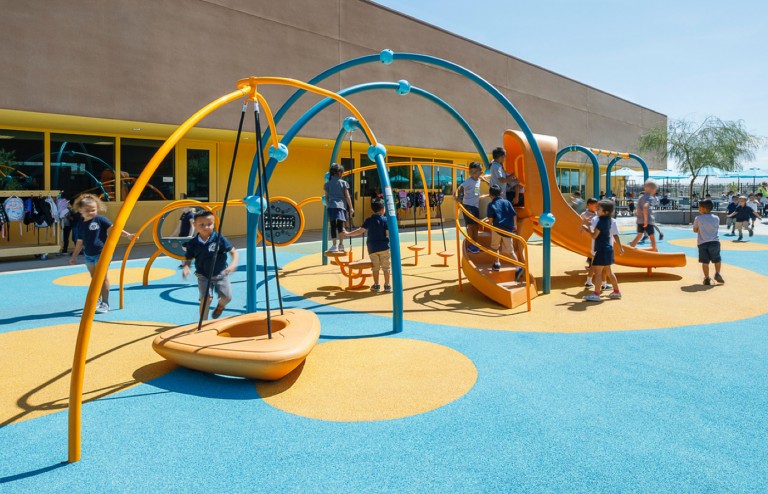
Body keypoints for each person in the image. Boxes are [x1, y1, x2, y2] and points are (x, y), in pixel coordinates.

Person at [69, 194, 136, 313]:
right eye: (87, 210)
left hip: (102, 254)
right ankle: (97, 299)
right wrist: (74, 256)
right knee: (94, 278)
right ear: (80, 210)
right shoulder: (80, 224)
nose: (91, 212)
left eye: (93, 210)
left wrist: (128, 235)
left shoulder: (100, 219)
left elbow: (114, 229)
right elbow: (80, 242)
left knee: (102, 278)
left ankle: (105, 303)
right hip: (88, 255)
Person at [182, 210, 238, 320]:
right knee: (206, 299)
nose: (206, 227)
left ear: (213, 224)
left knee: (227, 297)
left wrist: (233, 265)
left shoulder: (218, 238)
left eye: (209, 224)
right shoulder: (193, 243)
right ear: (194, 224)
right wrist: (186, 267)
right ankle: (203, 323)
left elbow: (233, 252)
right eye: (202, 224)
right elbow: (188, 258)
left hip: (220, 273)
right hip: (203, 274)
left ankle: (220, 306)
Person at [582, 200, 623, 302]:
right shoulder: (609, 220)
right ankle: (616, 291)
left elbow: (594, 235)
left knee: (598, 272)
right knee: (609, 272)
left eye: (599, 209)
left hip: (601, 249)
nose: (596, 210)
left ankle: (596, 294)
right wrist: (588, 224)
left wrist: (587, 228)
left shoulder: (601, 221)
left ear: (605, 212)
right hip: (608, 249)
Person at [347, 198, 391, 293]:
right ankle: (387, 285)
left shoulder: (369, 220)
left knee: (375, 267)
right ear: (383, 209)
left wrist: (348, 234)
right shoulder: (385, 220)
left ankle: (376, 285)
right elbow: (388, 233)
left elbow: (360, 231)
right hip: (384, 247)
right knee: (386, 267)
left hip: (372, 248)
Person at [483, 184, 523, 280]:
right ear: (501, 193)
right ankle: (518, 267)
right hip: (508, 230)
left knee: (495, 246)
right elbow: (514, 214)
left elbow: (490, 220)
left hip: (497, 229)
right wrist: (515, 225)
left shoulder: (491, 205)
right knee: (510, 251)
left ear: (490, 195)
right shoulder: (507, 202)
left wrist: (489, 226)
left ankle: (497, 263)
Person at [455, 161, 487, 254]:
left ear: (480, 172)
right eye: (471, 172)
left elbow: (481, 178)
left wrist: (487, 181)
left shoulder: (478, 179)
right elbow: (461, 187)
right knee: (470, 226)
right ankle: (470, 245)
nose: (473, 174)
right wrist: (459, 198)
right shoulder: (469, 181)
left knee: (476, 226)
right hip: (468, 206)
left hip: (475, 206)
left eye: (475, 172)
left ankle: (475, 244)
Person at [324, 163, 354, 253]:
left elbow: (327, 197)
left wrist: (328, 205)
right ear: (339, 172)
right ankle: (341, 245)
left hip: (331, 206)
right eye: (342, 172)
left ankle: (334, 245)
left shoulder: (327, 184)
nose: (343, 174)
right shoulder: (344, 183)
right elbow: (347, 197)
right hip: (341, 207)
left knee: (333, 226)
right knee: (340, 226)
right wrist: (351, 207)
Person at [693, 199, 724, 286]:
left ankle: (706, 278)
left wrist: (701, 229)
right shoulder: (716, 218)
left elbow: (695, 230)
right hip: (715, 242)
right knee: (717, 259)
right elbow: (716, 228)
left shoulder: (698, 218)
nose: (698, 209)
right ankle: (717, 273)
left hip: (703, 243)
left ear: (703, 208)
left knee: (705, 262)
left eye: (699, 207)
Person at [629, 179, 659, 249]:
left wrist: (638, 214)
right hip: (647, 221)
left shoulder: (640, 197)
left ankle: (630, 249)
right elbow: (645, 207)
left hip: (639, 220)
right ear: (652, 190)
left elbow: (637, 208)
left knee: (639, 235)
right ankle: (654, 250)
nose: (655, 192)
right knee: (652, 237)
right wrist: (645, 220)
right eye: (655, 190)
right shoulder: (650, 198)